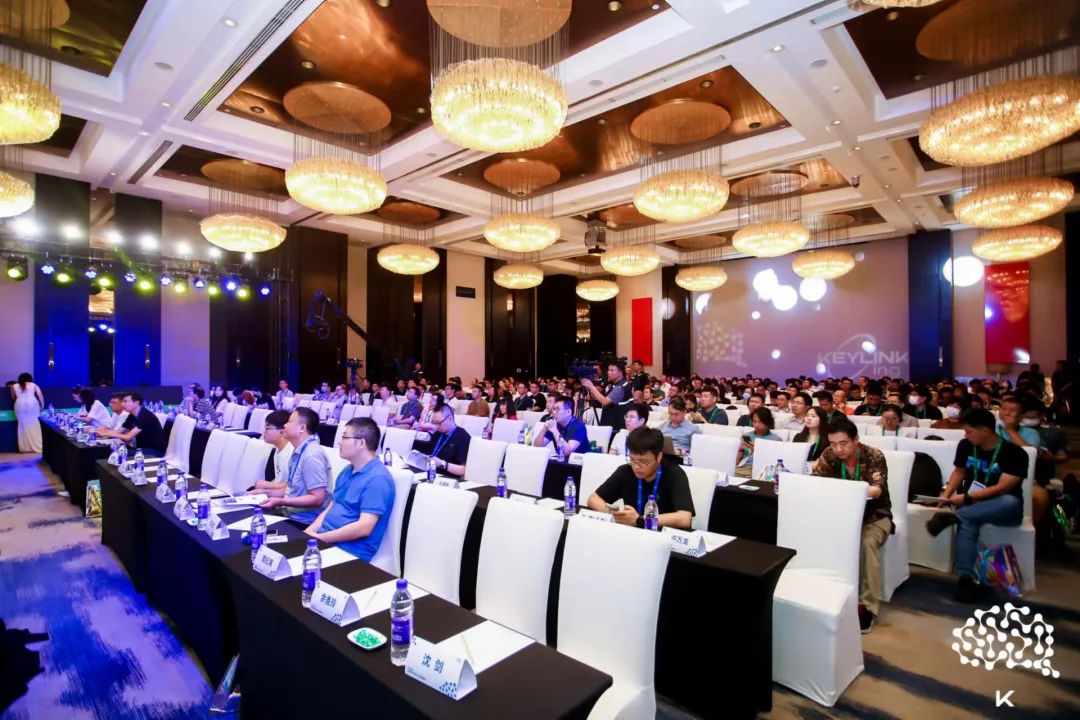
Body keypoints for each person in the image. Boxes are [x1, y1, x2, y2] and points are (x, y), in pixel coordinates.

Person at [924, 408, 1028, 603]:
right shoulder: (966, 446)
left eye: (969, 431)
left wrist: (967, 498)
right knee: (968, 521)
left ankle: (956, 517)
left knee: (1008, 501)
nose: (965, 435)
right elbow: (959, 472)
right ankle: (966, 578)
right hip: (972, 505)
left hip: (1002, 507)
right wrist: (945, 496)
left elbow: (1003, 487)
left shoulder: (1014, 453)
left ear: (986, 431)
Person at [813, 416, 893, 633]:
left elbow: (876, 490)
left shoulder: (874, 455)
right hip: (840, 516)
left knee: (867, 543)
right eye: (833, 444)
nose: (838, 449)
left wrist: (843, 490)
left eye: (843, 443)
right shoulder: (829, 455)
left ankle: (868, 607)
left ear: (856, 439)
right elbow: (816, 481)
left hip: (874, 516)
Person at [304, 417, 396, 561]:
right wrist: (308, 533)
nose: (340, 442)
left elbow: (364, 527)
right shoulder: (348, 470)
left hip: (348, 551)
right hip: (324, 540)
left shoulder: (378, 479)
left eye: (345, 437)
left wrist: (320, 538)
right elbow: (332, 507)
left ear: (361, 443)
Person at [587, 427, 694, 530]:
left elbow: (685, 518)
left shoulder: (674, 473)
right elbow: (593, 499)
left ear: (659, 457)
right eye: (632, 460)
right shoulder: (625, 471)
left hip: (662, 534)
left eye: (643, 461)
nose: (637, 467)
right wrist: (616, 514)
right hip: (631, 533)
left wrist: (641, 520)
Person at [260, 407, 329, 523]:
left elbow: (317, 498)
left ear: (302, 428)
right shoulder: (300, 450)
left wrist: (281, 501)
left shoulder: (312, 455)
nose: (285, 425)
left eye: (289, 421)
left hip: (302, 521)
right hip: (288, 512)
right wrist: (265, 493)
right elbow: (292, 490)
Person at [419, 399, 471, 477]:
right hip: (429, 473)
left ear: (450, 419)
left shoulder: (463, 437)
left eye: (438, 423)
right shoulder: (437, 433)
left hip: (446, 478)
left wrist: (442, 464)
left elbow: (463, 470)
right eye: (434, 422)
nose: (436, 426)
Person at [251, 410, 293, 493]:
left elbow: (294, 486)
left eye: (268, 428)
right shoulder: (278, 450)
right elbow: (279, 479)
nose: (264, 431)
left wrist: (267, 486)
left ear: (282, 431)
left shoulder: (291, 453)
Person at [581, 361, 632, 428]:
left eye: (612, 370)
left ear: (620, 372)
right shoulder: (616, 384)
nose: (609, 372)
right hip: (612, 424)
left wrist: (591, 386)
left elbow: (605, 402)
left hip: (616, 426)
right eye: (608, 370)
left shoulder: (620, 387)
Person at [736, 407, 782, 477]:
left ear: (767, 422)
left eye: (760, 422)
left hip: (764, 470)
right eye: (754, 421)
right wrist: (740, 450)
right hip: (744, 468)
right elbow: (736, 463)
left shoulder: (776, 440)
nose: (756, 425)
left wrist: (757, 451)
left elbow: (776, 465)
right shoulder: (746, 436)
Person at [10, 372, 44, 453]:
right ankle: (38, 446)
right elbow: (40, 395)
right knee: (35, 425)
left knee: (22, 425)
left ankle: (24, 447)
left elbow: (13, 397)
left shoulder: (14, 386)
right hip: (32, 404)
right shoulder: (33, 385)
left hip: (19, 405)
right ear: (30, 378)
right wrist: (42, 405)